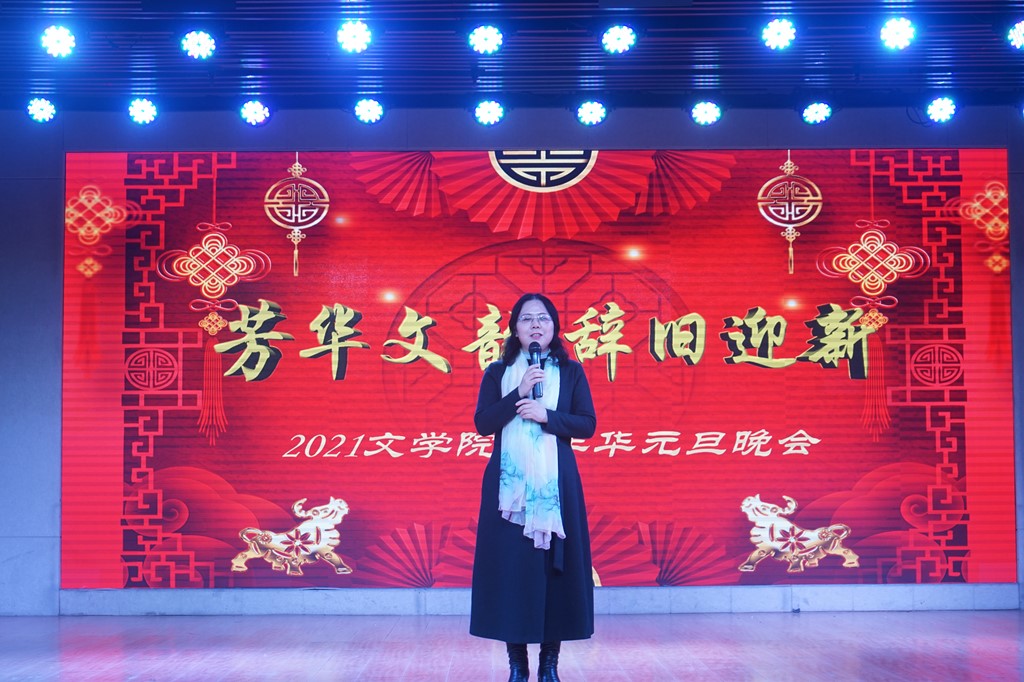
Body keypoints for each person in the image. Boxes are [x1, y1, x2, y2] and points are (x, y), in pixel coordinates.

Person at [470, 293, 597, 682]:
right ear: (515, 329)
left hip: (556, 485)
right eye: (527, 319)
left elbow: (587, 425)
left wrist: (548, 416)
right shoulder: (498, 372)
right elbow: (483, 423)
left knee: (554, 571)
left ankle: (549, 663)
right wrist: (519, 392)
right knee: (513, 572)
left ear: (554, 328)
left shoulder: (571, 372)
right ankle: (517, 663)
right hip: (509, 492)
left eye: (543, 318)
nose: (536, 325)